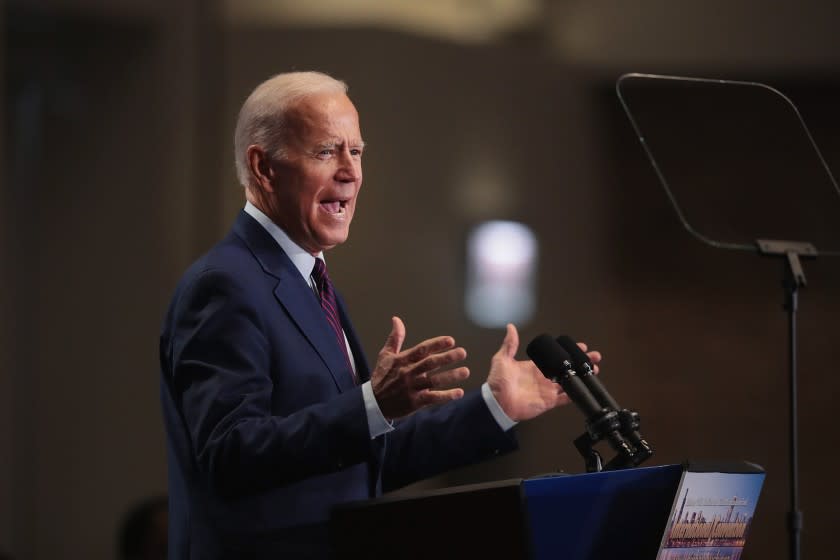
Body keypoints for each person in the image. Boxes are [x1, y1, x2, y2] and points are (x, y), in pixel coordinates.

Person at [159, 71, 601, 559]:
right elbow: (230, 456)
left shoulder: (310, 282)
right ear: (264, 167)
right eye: (327, 151)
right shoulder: (224, 285)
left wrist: (494, 407)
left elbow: (361, 461)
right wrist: (372, 405)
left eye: (357, 152)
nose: (350, 171)